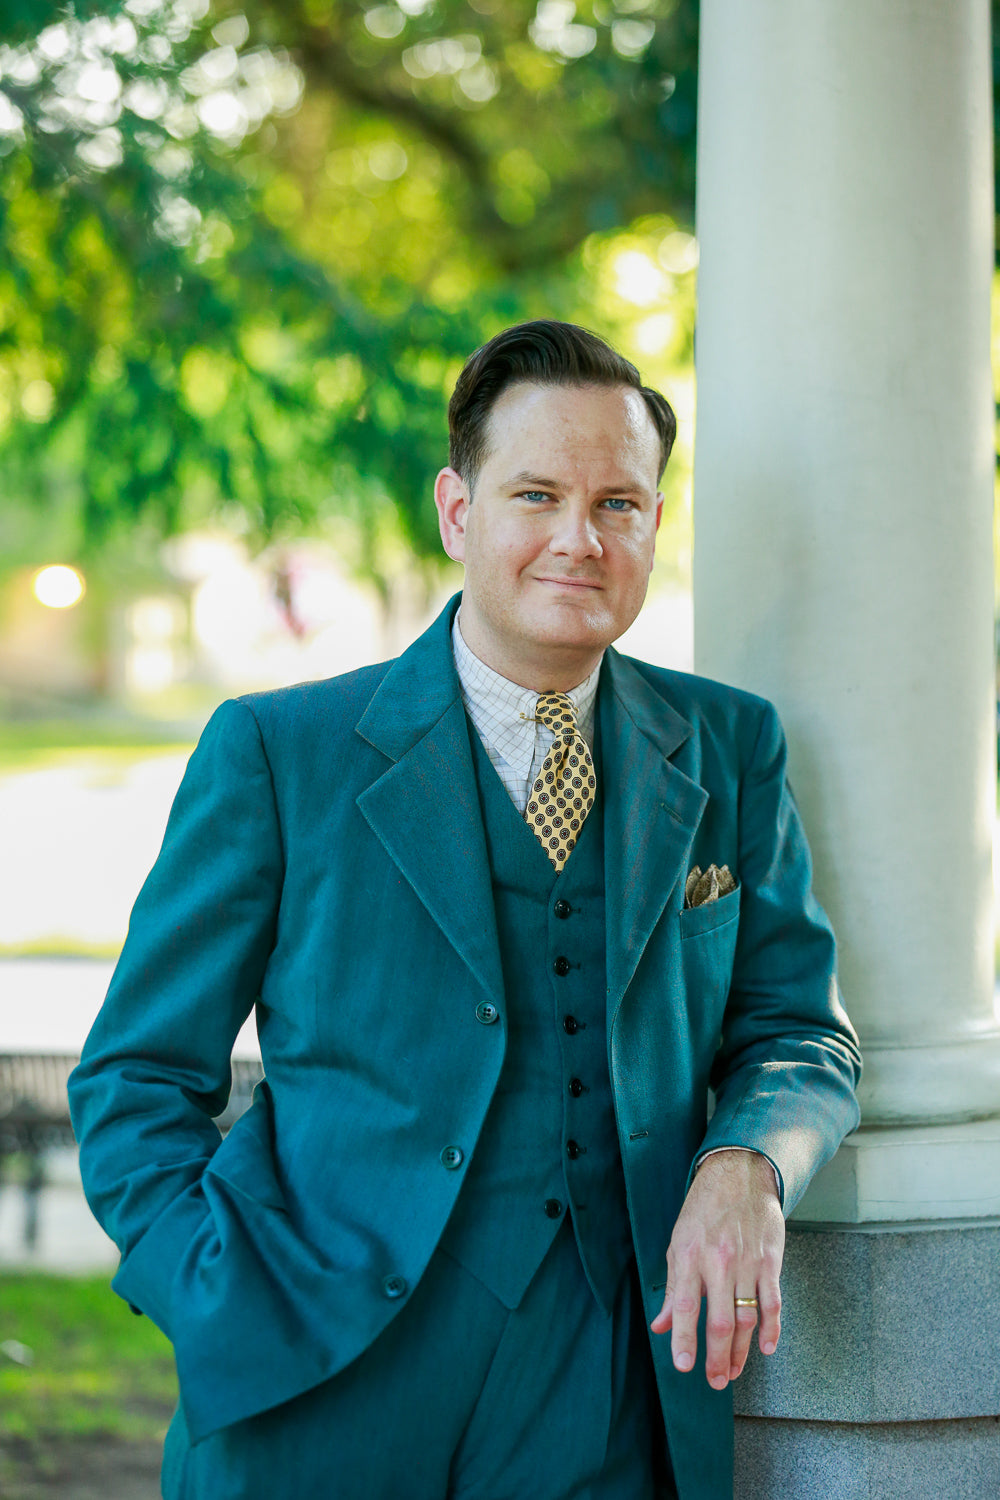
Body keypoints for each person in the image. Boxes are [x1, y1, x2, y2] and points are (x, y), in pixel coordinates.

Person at [69, 320, 861, 1500]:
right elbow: (135, 1078)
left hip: (608, 1392)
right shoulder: (280, 754)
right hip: (310, 1385)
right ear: (457, 511)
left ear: (651, 523)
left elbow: (800, 1029)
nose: (577, 540)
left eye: (619, 504)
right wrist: (211, 1294)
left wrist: (746, 1161)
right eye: (535, 494)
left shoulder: (728, 747)